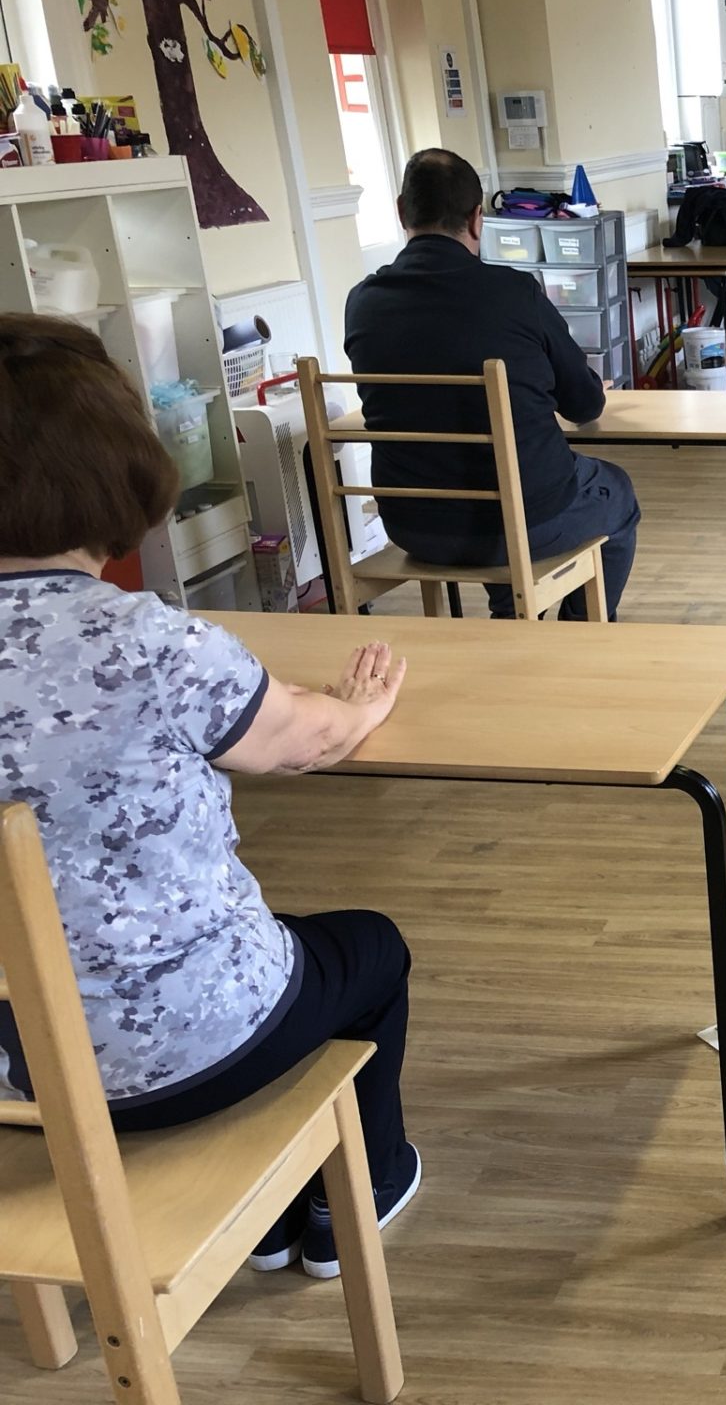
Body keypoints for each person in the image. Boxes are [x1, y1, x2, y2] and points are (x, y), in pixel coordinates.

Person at [0, 315, 419, 1279]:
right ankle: (356, 1189)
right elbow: (302, 745)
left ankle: (270, 1223)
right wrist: (357, 705)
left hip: (28, 1064)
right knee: (373, 951)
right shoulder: (147, 643)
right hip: (204, 1040)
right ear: (116, 468)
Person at [344, 148, 639, 620]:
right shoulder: (515, 293)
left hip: (412, 522)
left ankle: (515, 616)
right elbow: (585, 407)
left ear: (401, 211)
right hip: (521, 523)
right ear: (478, 219)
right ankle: (577, 637)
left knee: (503, 493)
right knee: (617, 493)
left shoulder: (362, 302)